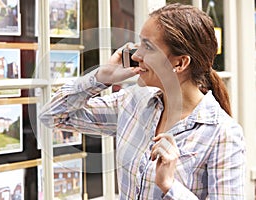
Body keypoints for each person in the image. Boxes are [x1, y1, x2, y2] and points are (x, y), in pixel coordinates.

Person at [39, 3, 245, 199]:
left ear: (180, 63)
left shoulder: (222, 133)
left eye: (148, 47)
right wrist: (100, 78)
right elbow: (52, 116)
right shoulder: (133, 103)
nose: (136, 55)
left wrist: (170, 186)